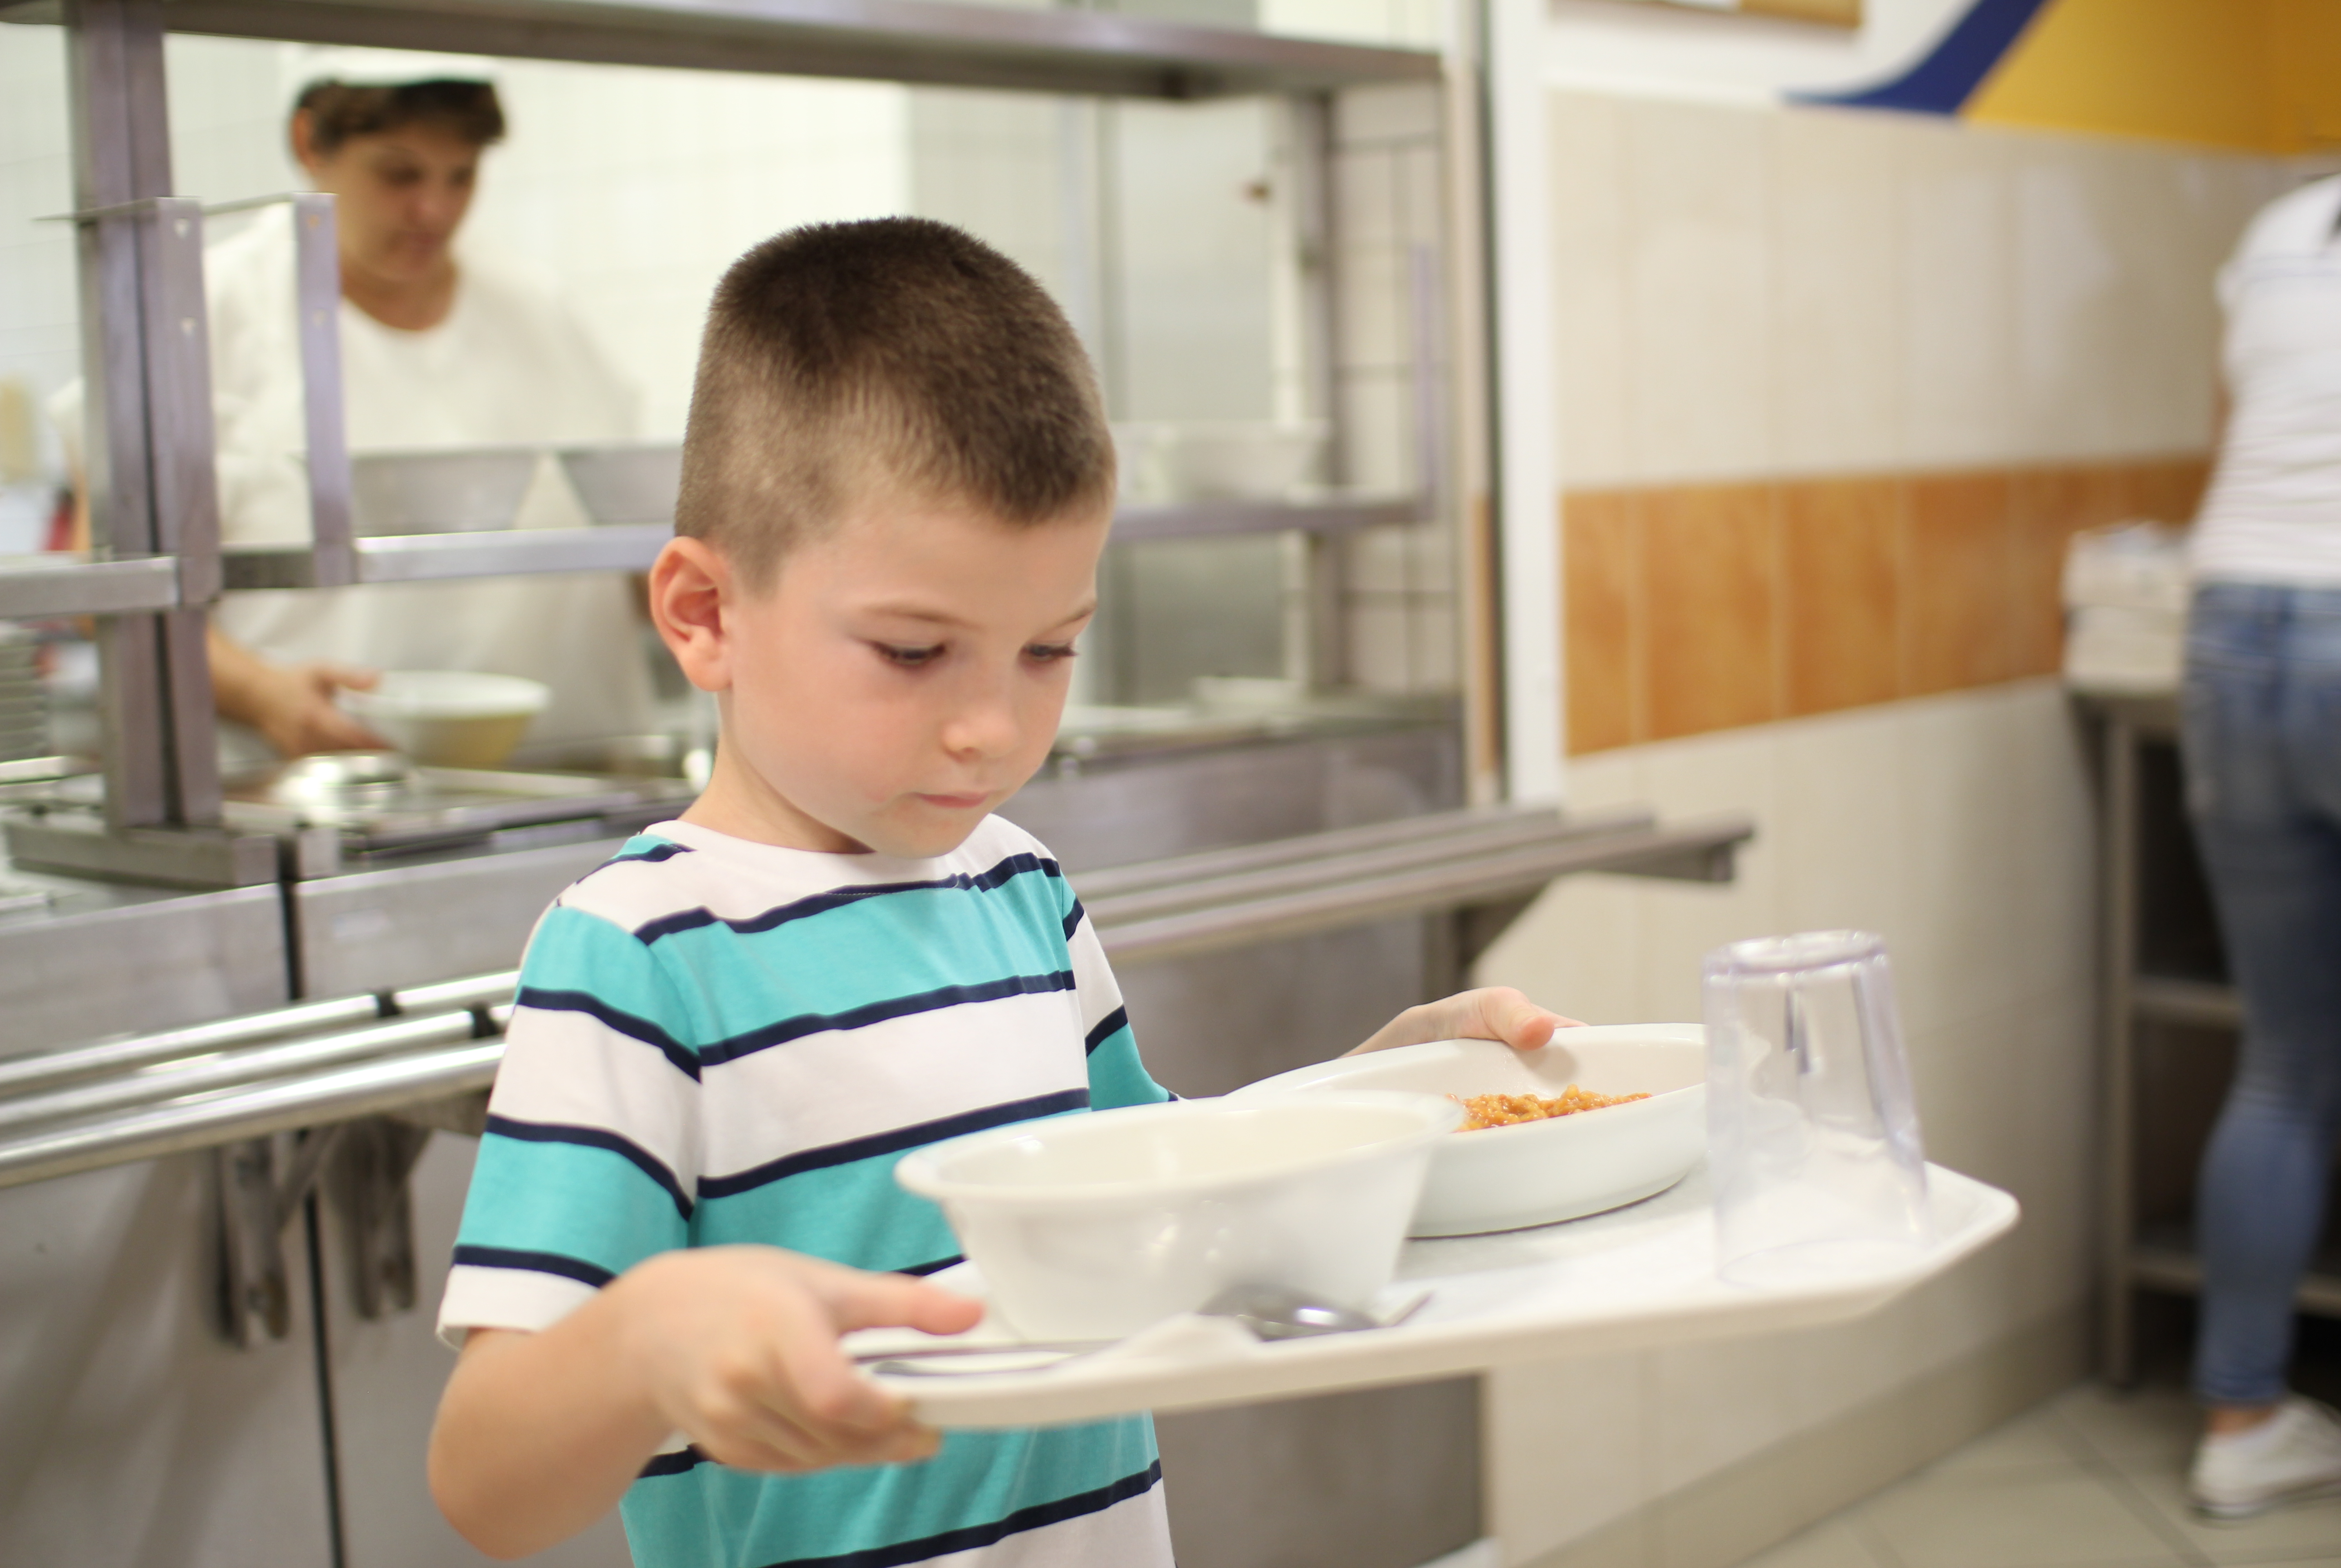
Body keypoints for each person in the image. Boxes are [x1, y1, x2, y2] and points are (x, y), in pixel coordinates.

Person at [423, 217, 1577, 1565]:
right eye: (915, 653)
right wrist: (641, 1338)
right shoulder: (641, 955)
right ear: (705, 614)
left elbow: (1175, 1194)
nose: (992, 730)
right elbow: (484, 1484)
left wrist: (1387, 1092)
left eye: (1048, 650)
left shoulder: (1020, 889)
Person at [57, 53, 655, 760]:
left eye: (461, 176)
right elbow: (109, 591)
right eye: (400, 175)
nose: (434, 211)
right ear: (310, 143)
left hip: (574, 773)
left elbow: (636, 545)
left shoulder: (538, 311)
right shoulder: (203, 314)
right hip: (315, 790)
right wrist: (261, 693)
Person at [2179, 170, 2341, 1520]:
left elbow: (2246, 423)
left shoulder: (2284, 227)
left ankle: (2241, 1424)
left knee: (2285, 1063)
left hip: (2232, 630)